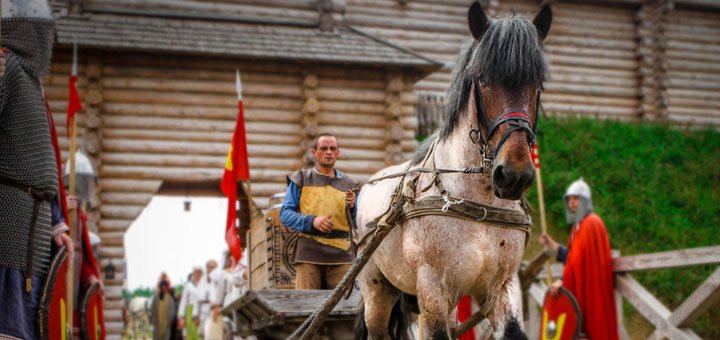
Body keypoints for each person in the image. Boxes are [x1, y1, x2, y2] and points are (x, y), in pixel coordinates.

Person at [0, 1, 75, 339]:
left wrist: (56, 222)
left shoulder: (30, 80)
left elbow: (45, 165)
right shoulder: (6, 68)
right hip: (8, 220)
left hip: (35, 224)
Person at [539, 178, 619, 340]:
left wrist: (561, 281)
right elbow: (573, 256)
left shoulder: (591, 223)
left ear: (585, 200)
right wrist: (552, 245)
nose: (572, 203)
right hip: (581, 286)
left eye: (575, 198)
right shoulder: (578, 226)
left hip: (592, 287)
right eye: (569, 199)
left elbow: (576, 261)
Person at [280, 133, 359, 290]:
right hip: (309, 254)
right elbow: (285, 214)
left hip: (342, 256)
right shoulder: (301, 178)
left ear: (338, 153)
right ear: (314, 153)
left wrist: (352, 208)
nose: (328, 152)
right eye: (323, 148)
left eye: (332, 148)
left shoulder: (351, 184)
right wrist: (312, 221)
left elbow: (357, 221)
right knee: (307, 307)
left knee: (346, 309)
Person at [206, 252, 249, 340]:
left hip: (241, 301)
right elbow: (220, 292)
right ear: (229, 258)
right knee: (230, 330)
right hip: (228, 303)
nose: (234, 257)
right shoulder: (224, 274)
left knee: (243, 332)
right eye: (232, 255)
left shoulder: (242, 269)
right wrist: (216, 307)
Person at [178, 266, 204, 340]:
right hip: (189, 313)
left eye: (199, 272)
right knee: (190, 335)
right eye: (196, 272)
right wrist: (181, 317)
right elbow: (183, 302)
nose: (197, 274)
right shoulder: (188, 286)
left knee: (201, 335)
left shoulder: (205, 285)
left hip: (201, 312)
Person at [150, 273, 177, 340]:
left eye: (165, 286)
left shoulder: (170, 298)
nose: (164, 288)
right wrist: (153, 319)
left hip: (167, 324)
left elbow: (172, 310)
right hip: (157, 324)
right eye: (162, 286)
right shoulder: (156, 297)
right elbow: (153, 309)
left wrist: (171, 319)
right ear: (160, 287)